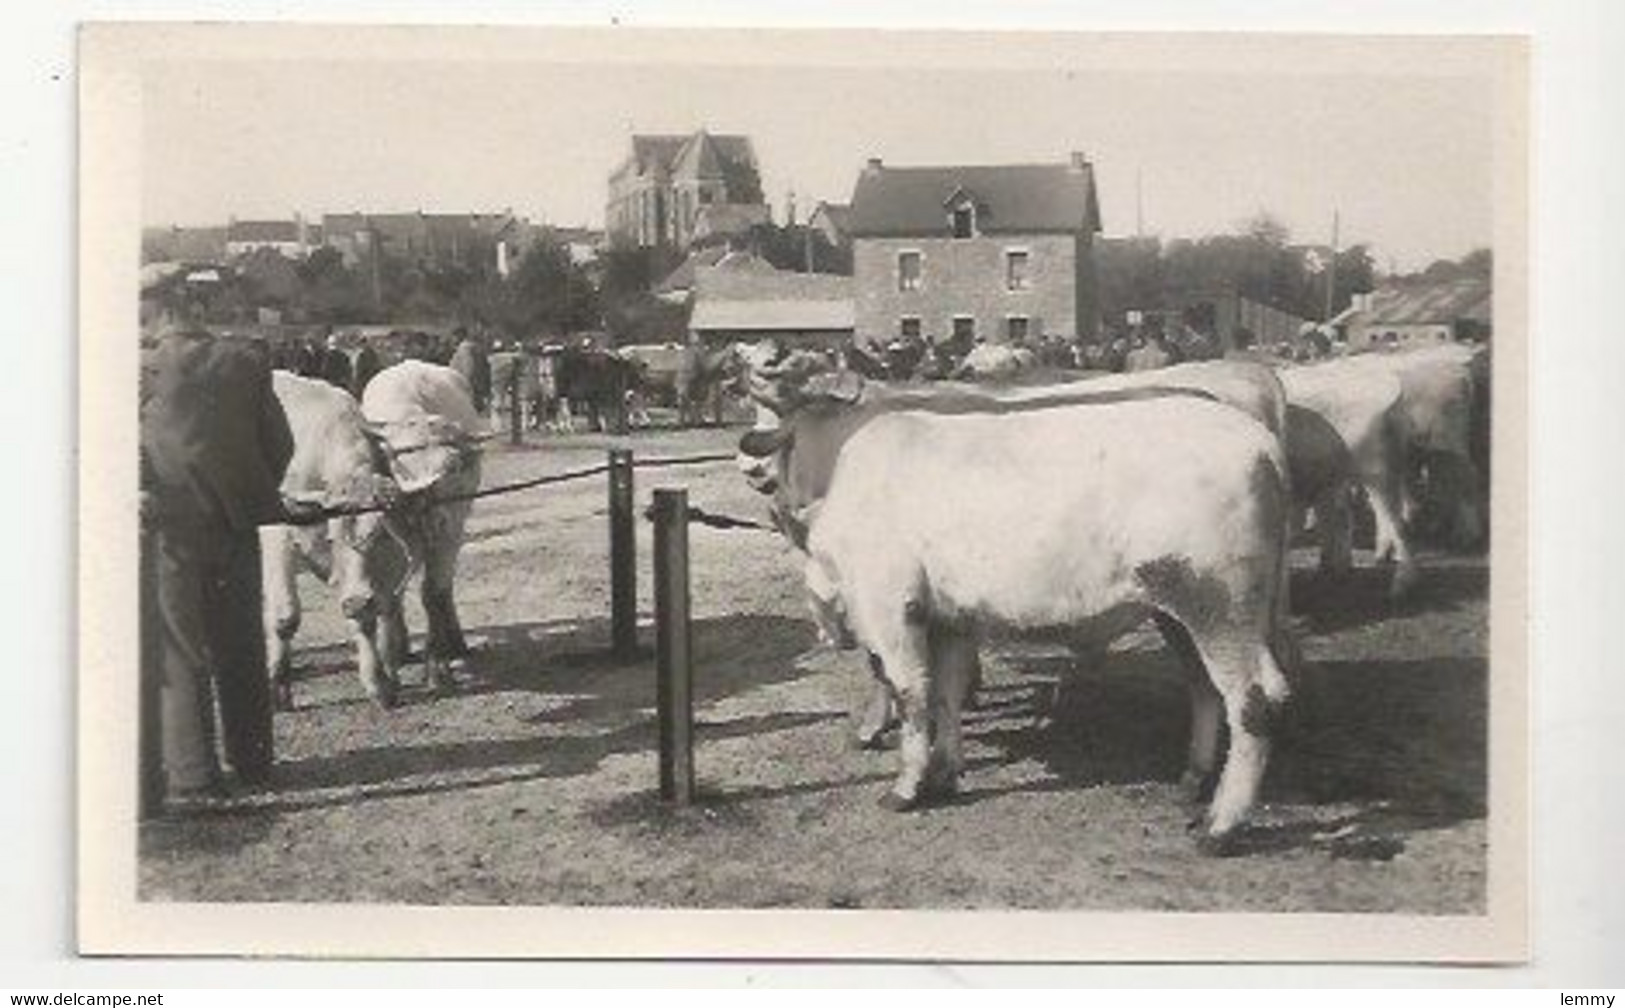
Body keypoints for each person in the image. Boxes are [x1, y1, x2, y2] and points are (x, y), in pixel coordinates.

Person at [140, 320, 293, 806]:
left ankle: (194, 774)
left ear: (153, 313)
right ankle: (252, 761)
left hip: (171, 528)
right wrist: (246, 494)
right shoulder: (244, 360)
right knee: (242, 642)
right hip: (236, 522)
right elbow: (280, 443)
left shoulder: (141, 365)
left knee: (182, 649)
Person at [449, 329, 492, 413]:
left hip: (464, 383)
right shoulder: (476, 348)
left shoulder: (464, 349)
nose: (452, 340)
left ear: (459, 337)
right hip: (475, 383)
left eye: (454, 337)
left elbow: (468, 366)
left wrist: (466, 382)